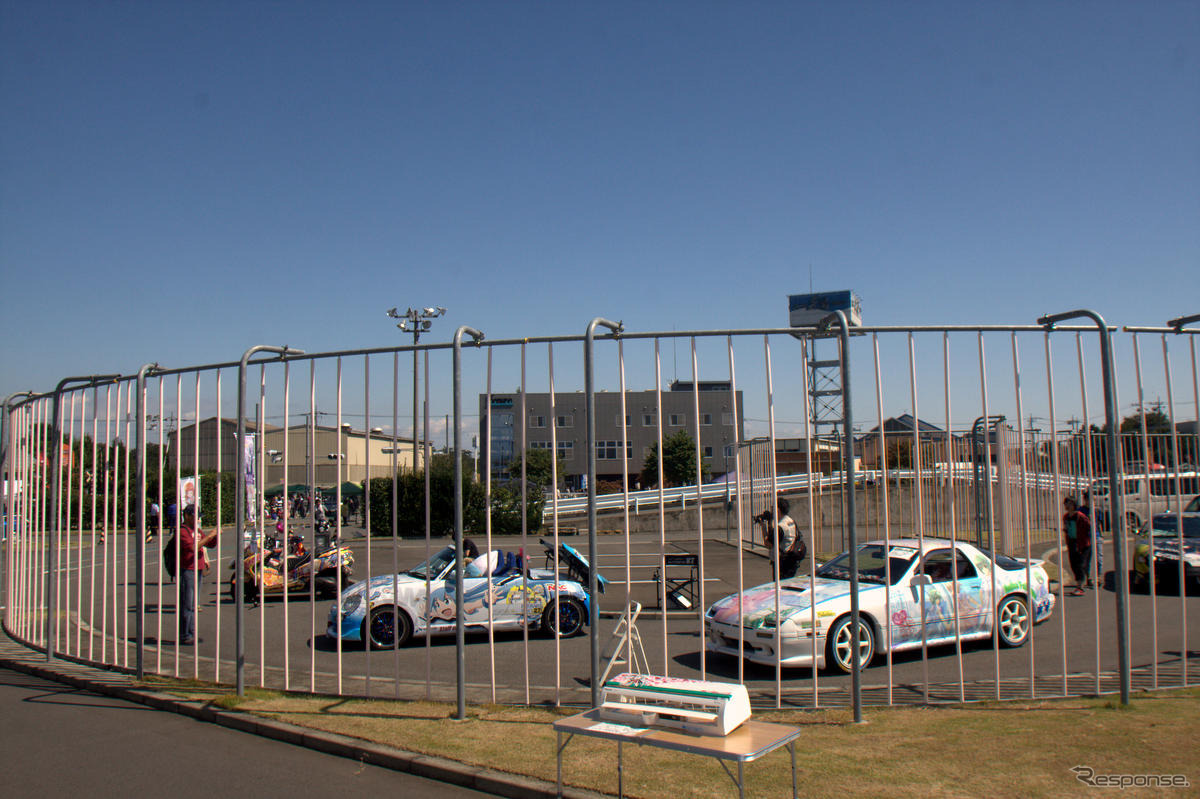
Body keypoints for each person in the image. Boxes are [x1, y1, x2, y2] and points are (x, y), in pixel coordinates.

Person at [178, 504, 218, 645]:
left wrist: (214, 537)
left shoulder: (196, 530)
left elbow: (209, 544)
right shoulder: (183, 531)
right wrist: (210, 537)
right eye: (194, 516)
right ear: (187, 516)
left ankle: (192, 632)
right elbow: (192, 547)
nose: (197, 520)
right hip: (188, 569)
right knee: (187, 603)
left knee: (194, 603)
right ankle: (185, 634)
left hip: (198, 568)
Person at [756, 497, 807, 579]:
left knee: (780, 586)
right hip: (792, 559)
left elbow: (768, 544)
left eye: (773, 509)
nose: (771, 512)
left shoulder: (780, 527)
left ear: (778, 510)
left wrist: (763, 527)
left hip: (782, 562)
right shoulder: (790, 521)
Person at [1062, 496, 1093, 596]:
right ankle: (1081, 582)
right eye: (1066, 503)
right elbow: (1066, 529)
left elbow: (1089, 527)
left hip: (1082, 543)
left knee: (1080, 564)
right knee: (1074, 564)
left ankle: (1080, 587)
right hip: (1072, 542)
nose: (1066, 505)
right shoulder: (1066, 517)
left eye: (1068, 503)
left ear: (1073, 504)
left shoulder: (1080, 516)